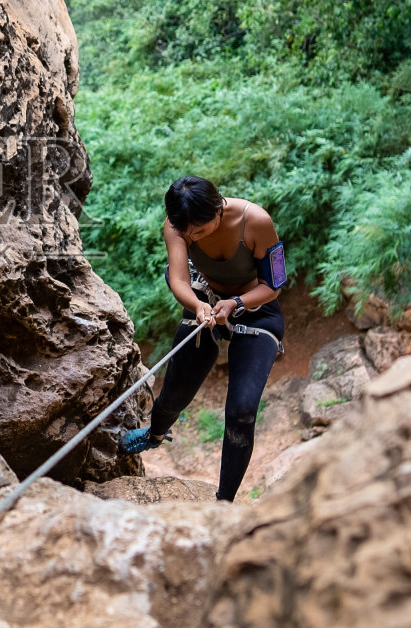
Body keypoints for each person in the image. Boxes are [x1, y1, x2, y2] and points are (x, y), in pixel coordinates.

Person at [120, 176, 287, 502]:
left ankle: (223, 501)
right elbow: (179, 277)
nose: (192, 237)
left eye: (199, 230)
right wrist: (198, 306)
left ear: (218, 210)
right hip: (207, 302)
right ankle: (155, 433)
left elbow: (273, 285)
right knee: (174, 391)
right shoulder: (177, 226)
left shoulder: (256, 221)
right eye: (187, 233)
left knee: (241, 411)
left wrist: (237, 303)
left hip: (257, 309)